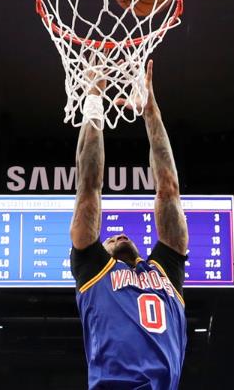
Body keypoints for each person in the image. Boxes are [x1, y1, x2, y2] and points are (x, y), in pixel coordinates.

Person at [70, 57, 188, 390]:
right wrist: (94, 96)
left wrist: (151, 112)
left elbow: (168, 189)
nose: (118, 234)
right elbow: (89, 186)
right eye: (109, 238)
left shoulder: (164, 271)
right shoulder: (94, 269)